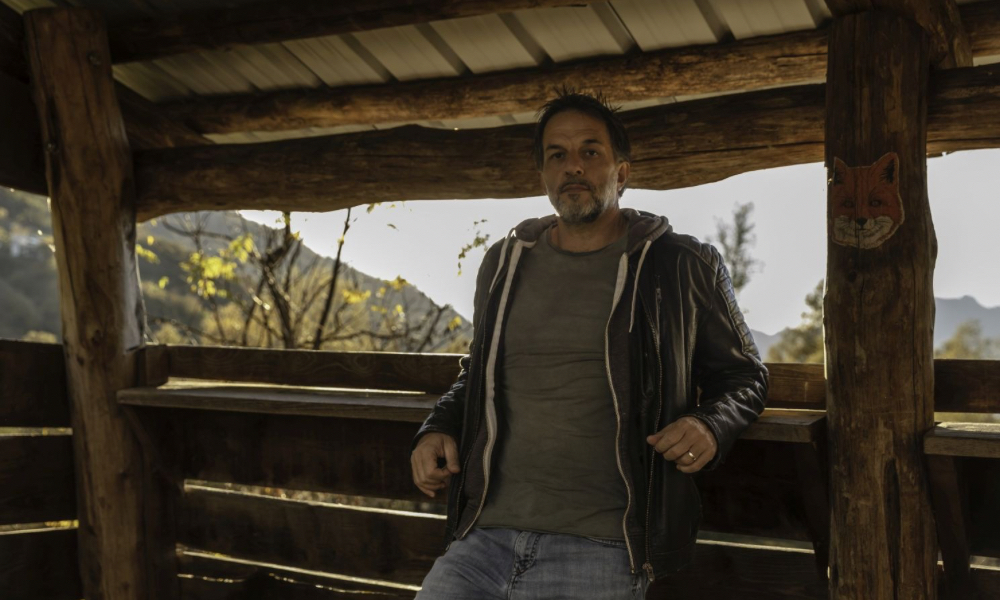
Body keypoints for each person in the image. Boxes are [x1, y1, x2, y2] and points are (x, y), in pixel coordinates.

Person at [410, 91, 768, 599]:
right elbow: (480, 373)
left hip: (604, 546)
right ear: (543, 174)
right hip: (481, 538)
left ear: (621, 173)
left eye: (590, 151)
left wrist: (710, 424)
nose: (572, 166)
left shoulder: (681, 264)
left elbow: (746, 377)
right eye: (557, 154)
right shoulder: (503, 264)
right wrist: (437, 426)